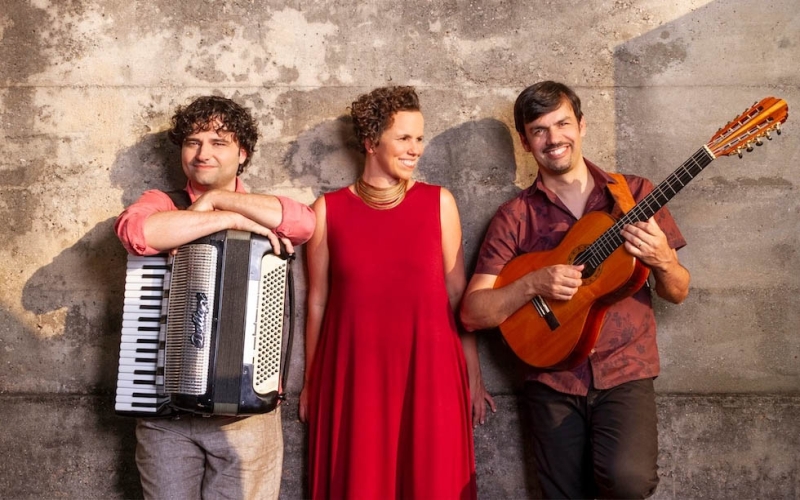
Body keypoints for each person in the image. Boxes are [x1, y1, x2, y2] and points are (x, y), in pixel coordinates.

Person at [460, 81, 691, 499]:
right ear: (526, 142)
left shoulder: (634, 194)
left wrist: (664, 260)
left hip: (625, 369)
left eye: (563, 123)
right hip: (551, 380)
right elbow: (473, 312)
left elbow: (678, 291)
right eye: (539, 130)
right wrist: (533, 282)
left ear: (582, 125)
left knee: (629, 481)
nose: (554, 139)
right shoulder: (515, 216)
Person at [299, 86, 495, 499]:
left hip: (431, 371)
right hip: (355, 376)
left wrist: (472, 374)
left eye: (419, 138)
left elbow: (459, 294)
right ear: (371, 143)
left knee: (433, 482)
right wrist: (313, 381)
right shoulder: (327, 211)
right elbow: (317, 302)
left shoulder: (439, 203)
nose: (416, 149)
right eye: (404, 138)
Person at [114, 95, 315, 500]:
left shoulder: (264, 205)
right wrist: (228, 219)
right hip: (165, 413)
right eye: (193, 142)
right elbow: (139, 235)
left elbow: (303, 223)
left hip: (247, 421)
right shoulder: (161, 202)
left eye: (218, 142)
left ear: (242, 153)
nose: (203, 153)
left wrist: (220, 199)